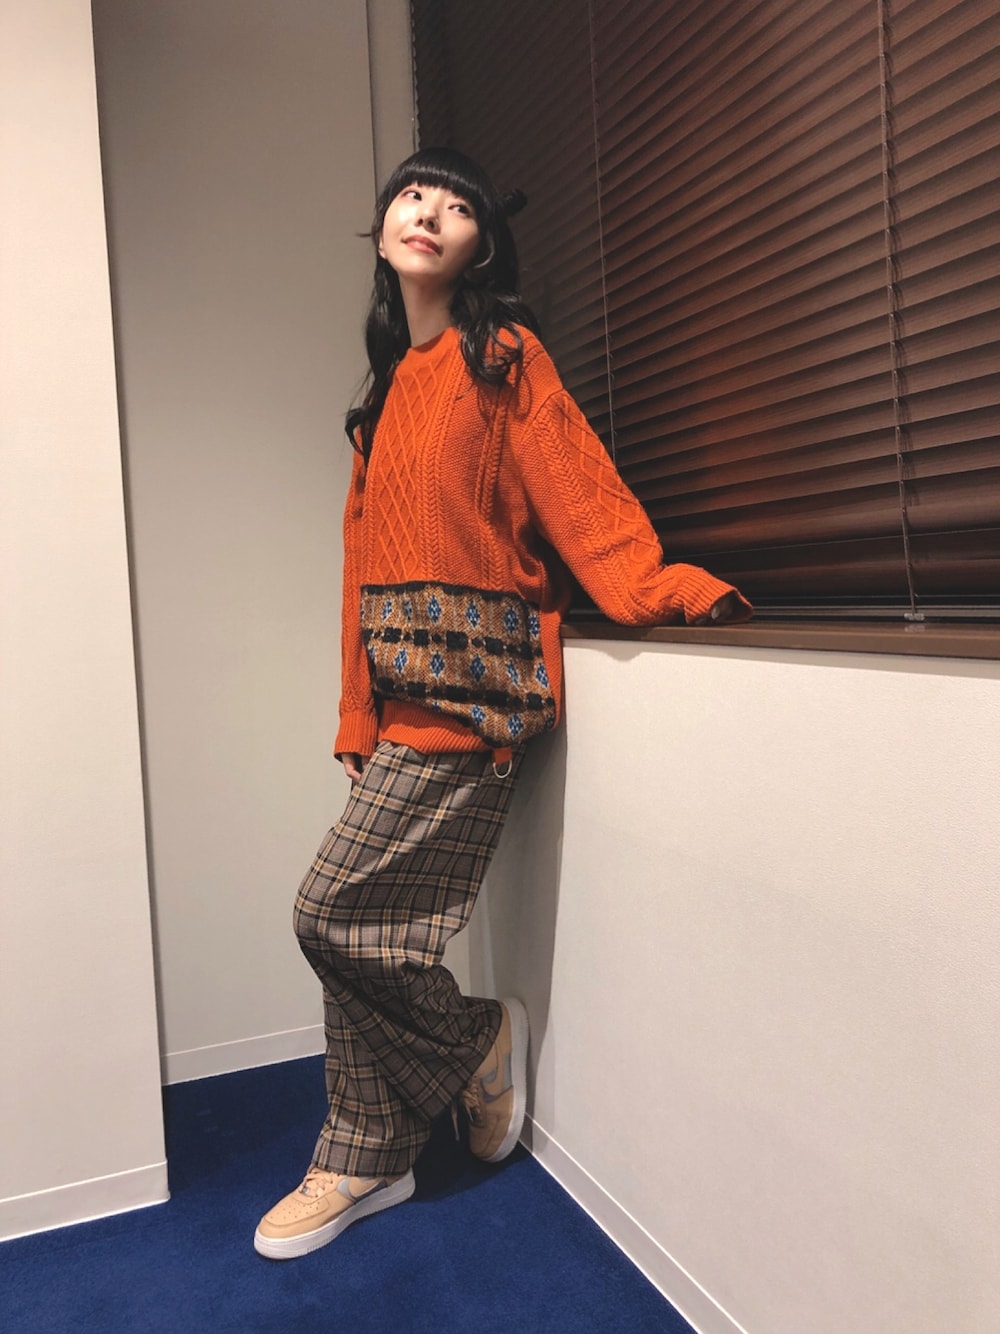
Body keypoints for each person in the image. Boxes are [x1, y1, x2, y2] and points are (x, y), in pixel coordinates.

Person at [253, 148, 752, 1260]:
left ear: (483, 244)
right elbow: (360, 567)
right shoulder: (384, 393)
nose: (429, 212)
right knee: (365, 932)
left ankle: (473, 1040)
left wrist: (659, 587)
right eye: (412, 194)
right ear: (382, 223)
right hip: (400, 705)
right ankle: (364, 1152)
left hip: (479, 706)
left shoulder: (502, 357)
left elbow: (579, 491)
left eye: (459, 205)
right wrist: (354, 710)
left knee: (329, 914)